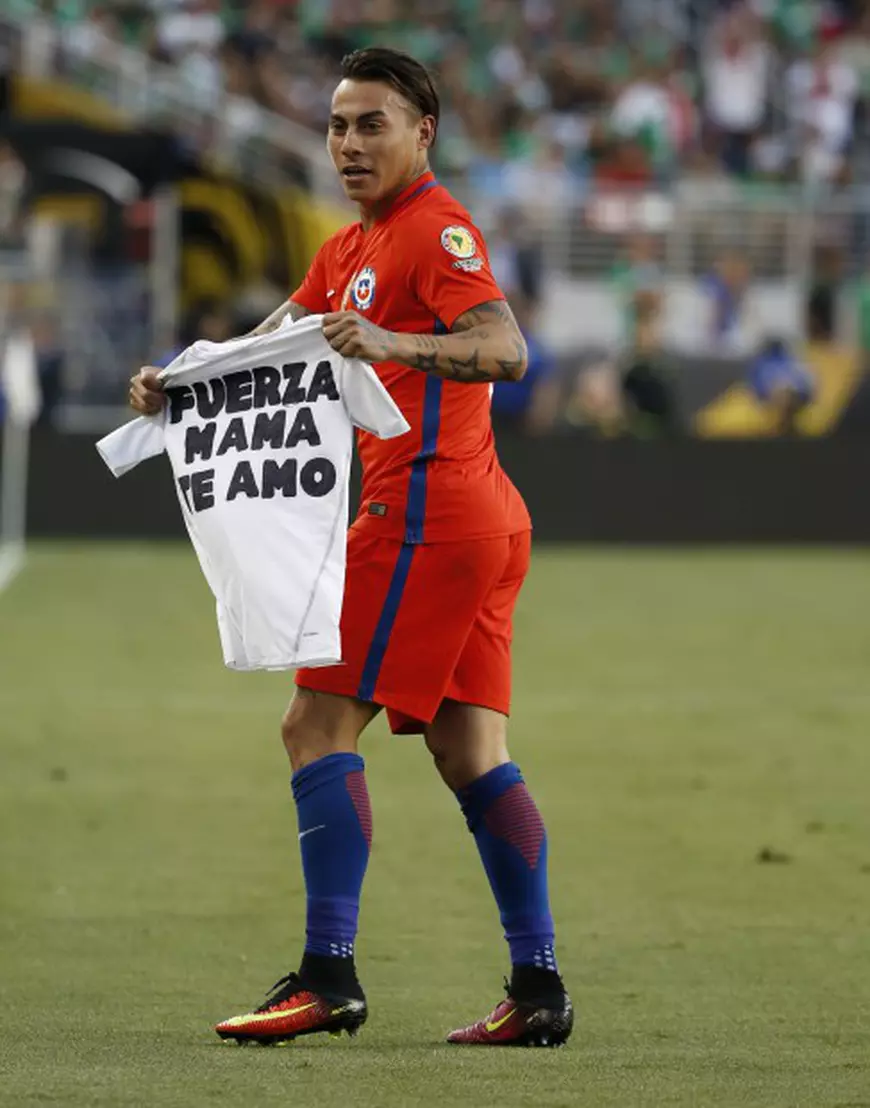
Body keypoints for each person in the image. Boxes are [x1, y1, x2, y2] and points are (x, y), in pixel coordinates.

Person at [129, 46, 573, 1049]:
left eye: (371, 123)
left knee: (313, 724)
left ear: (424, 133)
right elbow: (270, 346)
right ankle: (539, 989)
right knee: (471, 752)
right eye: (337, 125)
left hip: (427, 511)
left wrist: (396, 345)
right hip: (478, 518)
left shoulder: (435, 233)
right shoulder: (350, 248)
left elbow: (506, 350)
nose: (348, 142)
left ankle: (328, 973)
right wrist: (181, 384)